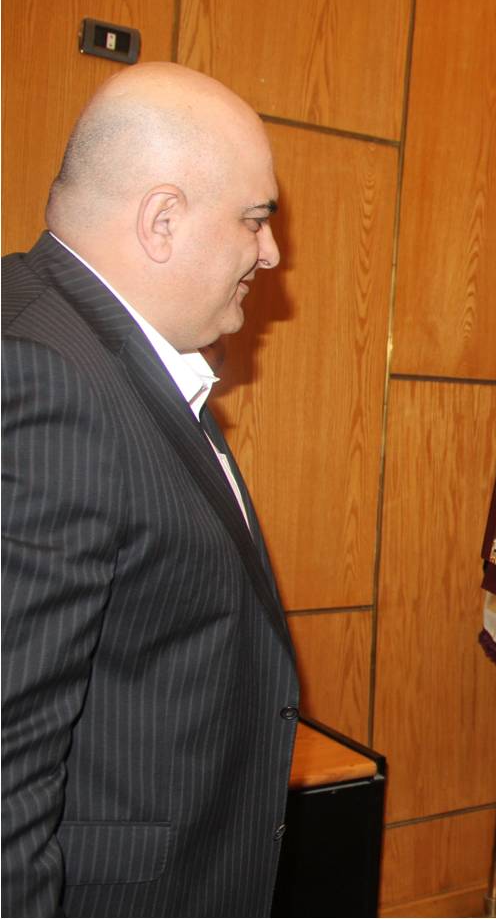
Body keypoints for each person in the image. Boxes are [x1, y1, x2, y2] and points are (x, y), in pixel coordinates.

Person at [2, 63, 298, 915]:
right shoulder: (42, 377)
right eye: (254, 220)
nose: (271, 253)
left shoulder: (94, 352)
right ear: (162, 220)